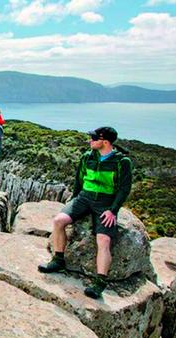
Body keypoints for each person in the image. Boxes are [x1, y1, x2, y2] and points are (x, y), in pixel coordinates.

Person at [38, 126, 133, 299]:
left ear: (104, 142)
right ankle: (58, 260)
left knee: (103, 239)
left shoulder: (122, 162)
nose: (90, 141)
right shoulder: (87, 157)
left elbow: (124, 189)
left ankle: (99, 282)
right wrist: (74, 200)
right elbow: (79, 179)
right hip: (84, 198)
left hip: (105, 202)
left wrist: (113, 211)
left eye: (93, 138)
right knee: (59, 221)